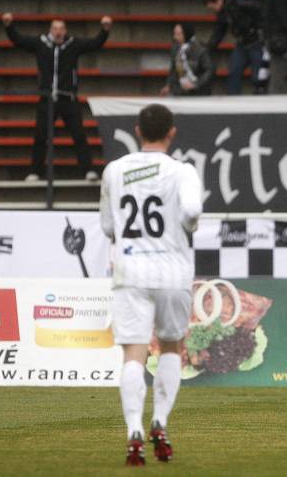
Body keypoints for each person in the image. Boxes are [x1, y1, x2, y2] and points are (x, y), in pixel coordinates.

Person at [99, 104, 203, 465]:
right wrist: (186, 229)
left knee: (133, 353)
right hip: (173, 271)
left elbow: (109, 228)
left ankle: (133, 431)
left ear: (137, 130)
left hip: (130, 273)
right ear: (171, 132)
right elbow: (191, 213)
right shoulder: (182, 171)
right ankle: (160, 420)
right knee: (172, 346)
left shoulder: (114, 170)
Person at [2, 12, 112, 182]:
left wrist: (105, 30)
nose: (58, 32)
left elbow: (94, 44)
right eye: (55, 28)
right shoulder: (41, 43)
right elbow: (19, 40)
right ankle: (35, 171)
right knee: (40, 136)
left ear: (65, 30)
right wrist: (9, 26)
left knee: (79, 135)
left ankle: (88, 170)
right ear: (50, 30)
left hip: (68, 98)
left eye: (61, 29)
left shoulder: (72, 44)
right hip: (47, 99)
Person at [204, 0, 263, 95]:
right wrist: (209, 47)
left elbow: (258, 9)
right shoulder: (223, 13)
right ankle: (233, 99)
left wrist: (258, 28)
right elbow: (219, 32)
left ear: (217, 2)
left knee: (257, 77)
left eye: (212, 7)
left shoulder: (237, 3)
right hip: (242, 43)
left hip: (255, 42)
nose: (213, 10)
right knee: (234, 73)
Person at [161, 24, 214, 96]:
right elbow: (174, 70)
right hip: (180, 90)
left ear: (186, 34)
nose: (175, 37)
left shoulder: (201, 49)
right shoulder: (175, 48)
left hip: (199, 92)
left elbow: (209, 70)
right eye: (175, 34)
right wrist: (169, 85)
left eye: (178, 34)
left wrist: (196, 84)